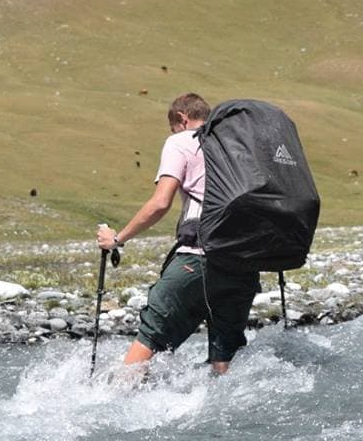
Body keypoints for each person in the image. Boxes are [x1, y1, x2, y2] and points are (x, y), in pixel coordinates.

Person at [96, 93, 261, 375]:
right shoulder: (237, 144)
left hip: (198, 258)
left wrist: (117, 239)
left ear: (182, 119)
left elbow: (160, 203)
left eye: (173, 127)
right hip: (243, 264)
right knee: (224, 359)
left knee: (151, 334)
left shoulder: (181, 141)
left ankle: (114, 395)